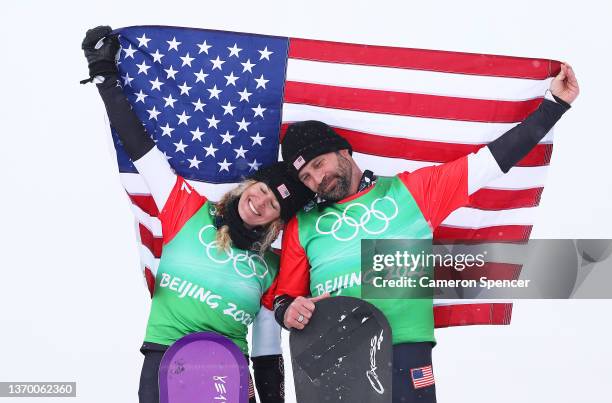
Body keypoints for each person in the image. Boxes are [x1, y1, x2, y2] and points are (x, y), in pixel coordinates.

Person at [273, 64, 579, 402]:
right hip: (333, 359)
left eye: (318, 165)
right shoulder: (303, 225)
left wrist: (554, 106)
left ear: (343, 150)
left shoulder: (411, 194)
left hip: (404, 350)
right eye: (306, 179)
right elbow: (285, 296)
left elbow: (490, 162)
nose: (317, 181)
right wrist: (289, 311)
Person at [82, 26, 313, 403]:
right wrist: (105, 77)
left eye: (273, 205)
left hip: (229, 373)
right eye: (262, 189)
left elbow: (267, 349)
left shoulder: (270, 266)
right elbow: (141, 149)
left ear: (276, 223)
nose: (261, 201)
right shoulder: (186, 209)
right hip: (167, 357)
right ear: (247, 185)